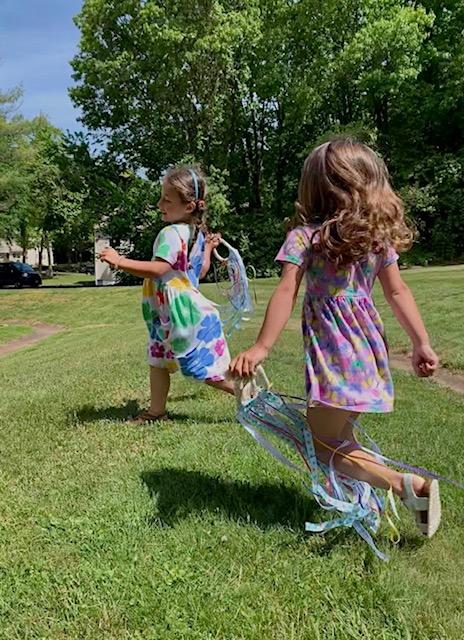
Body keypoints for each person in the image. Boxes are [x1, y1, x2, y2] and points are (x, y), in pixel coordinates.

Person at [230, 138, 441, 537]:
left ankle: (407, 486)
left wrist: (261, 347)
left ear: (315, 188)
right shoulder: (376, 240)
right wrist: (421, 343)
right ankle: (361, 504)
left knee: (323, 446)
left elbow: (286, 291)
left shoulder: (305, 238)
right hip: (367, 355)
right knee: (337, 440)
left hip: (335, 357)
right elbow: (399, 293)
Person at [101, 165, 235, 424]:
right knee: (158, 359)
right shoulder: (194, 234)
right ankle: (156, 411)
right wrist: (207, 248)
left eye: (167, 199)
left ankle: (251, 395)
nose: (159, 203)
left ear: (189, 206)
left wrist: (119, 260)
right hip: (169, 312)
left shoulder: (171, 233)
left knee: (203, 370)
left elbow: (159, 269)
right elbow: (199, 272)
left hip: (179, 314)